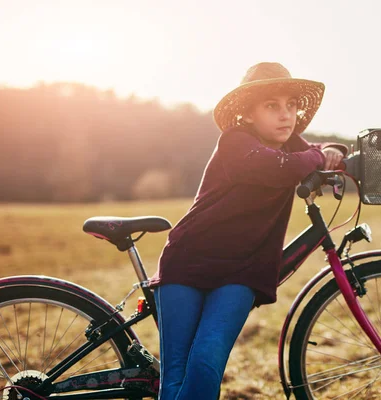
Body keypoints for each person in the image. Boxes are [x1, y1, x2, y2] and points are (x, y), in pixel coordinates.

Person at [148, 62, 347, 399]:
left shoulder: (292, 144)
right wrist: (317, 154)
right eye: (273, 106)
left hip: (240, 273)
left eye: (292, 106)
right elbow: (281, 168)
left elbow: (315, 151)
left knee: (206, 360)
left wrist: (335, 150)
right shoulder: (236, 141)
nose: (286, 115)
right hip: (188, 262)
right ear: (249, 113)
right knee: (176, 373)